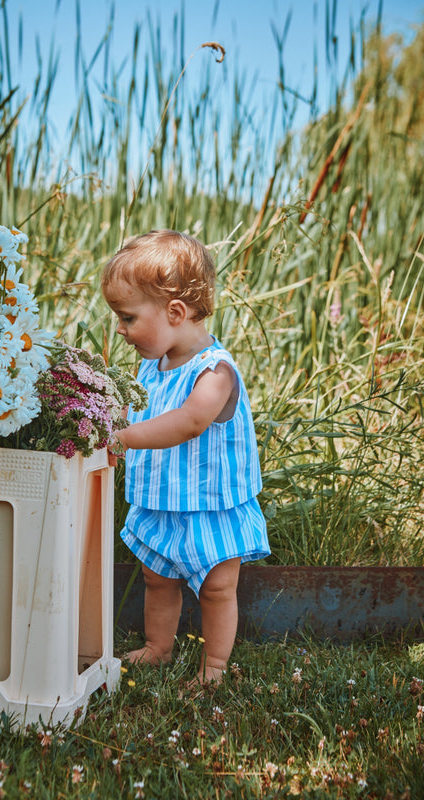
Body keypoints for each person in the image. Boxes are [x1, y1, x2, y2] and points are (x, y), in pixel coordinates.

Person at [101, 229, 270, 686]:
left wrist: (124, 438)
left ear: (175, 312)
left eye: (128, 317)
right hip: (161, 502)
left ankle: (213, 667)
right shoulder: (150, 368)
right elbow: (141, 411)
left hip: (211, 507)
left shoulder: (215, 372)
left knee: (217, 589)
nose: (121, 329)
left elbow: (190, 421)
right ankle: (159, 646)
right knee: (158, 581)